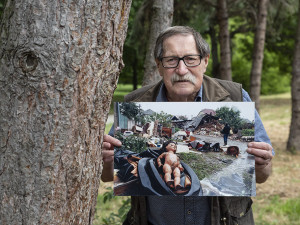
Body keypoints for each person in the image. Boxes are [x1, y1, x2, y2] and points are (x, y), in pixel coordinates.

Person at [101, 26, 273, 225]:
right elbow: (108, 176)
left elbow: (262, 177)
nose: (182, 70)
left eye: (191, 59)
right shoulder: (134, 105)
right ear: (159, 65)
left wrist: (262, 164)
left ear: (205, 61)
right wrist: (107, 161)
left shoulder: (236, 98)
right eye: (171, 60)